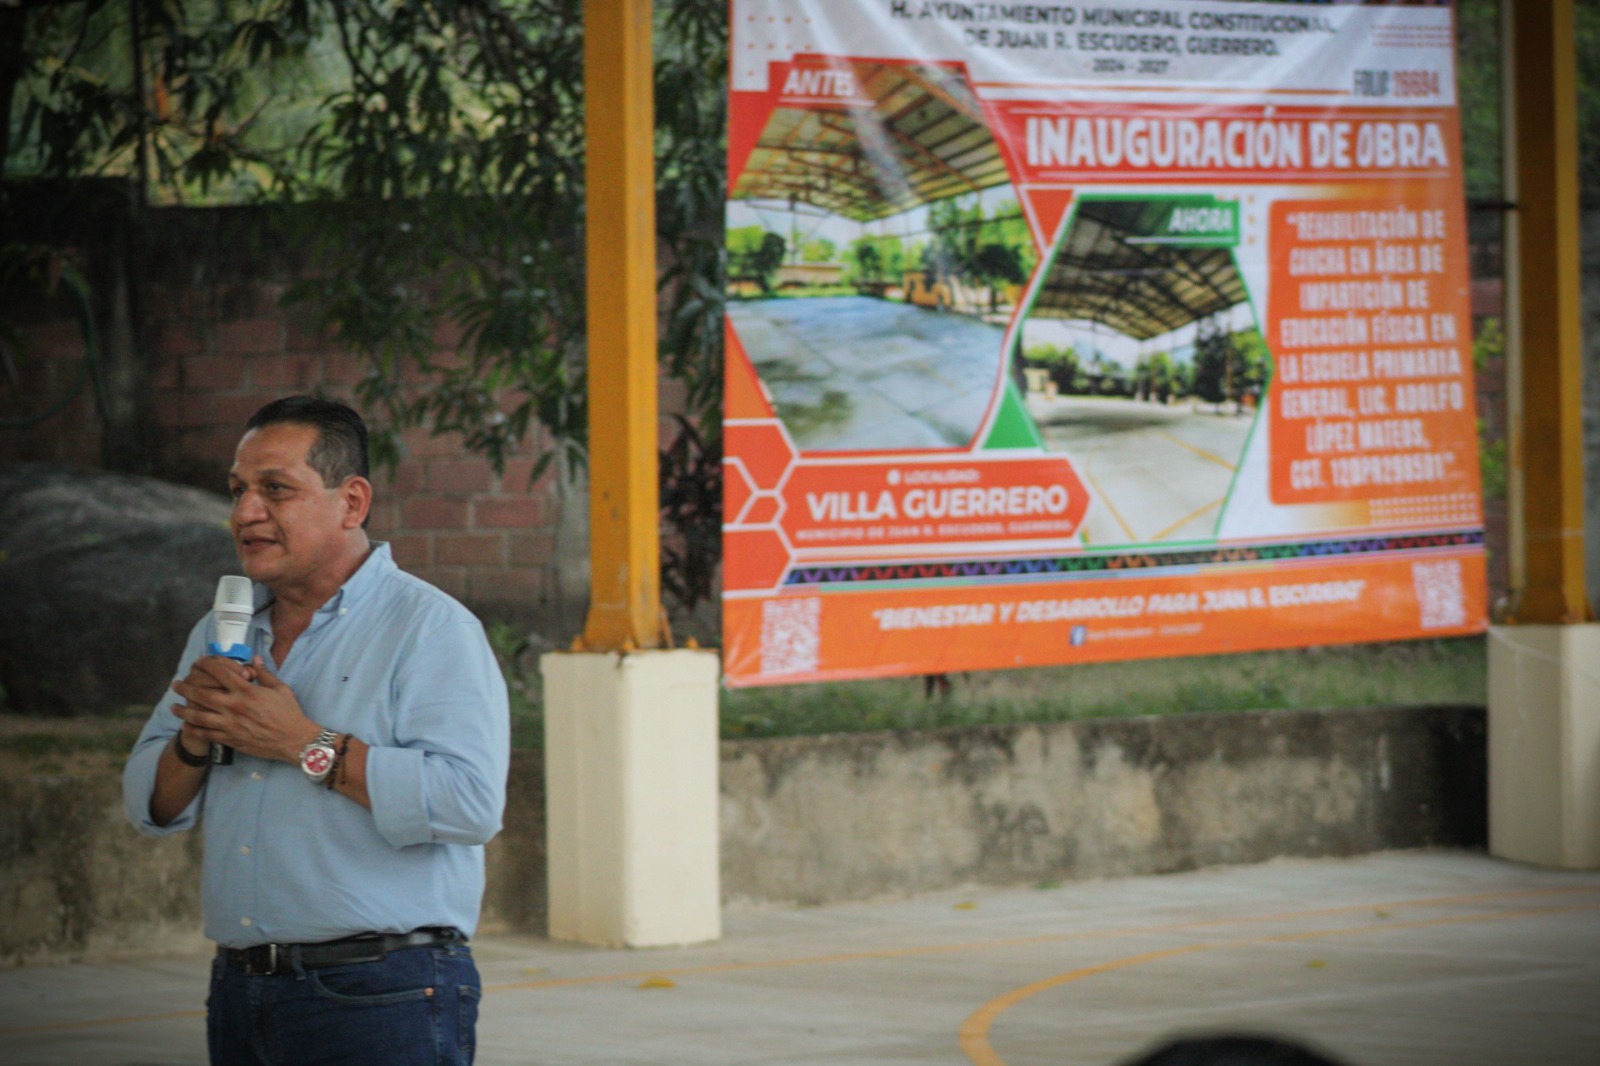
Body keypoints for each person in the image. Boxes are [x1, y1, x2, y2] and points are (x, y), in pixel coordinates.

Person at [123, 395, 510, 1065]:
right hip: (241, 987)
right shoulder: (223, 631)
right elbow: (147, 805)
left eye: (275, 489)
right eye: (238, 490)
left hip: (382, 992)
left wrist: (303, 743)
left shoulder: (429, 628)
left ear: (351, 503)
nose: (246, 513)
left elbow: (469, 804)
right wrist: (196, 738)